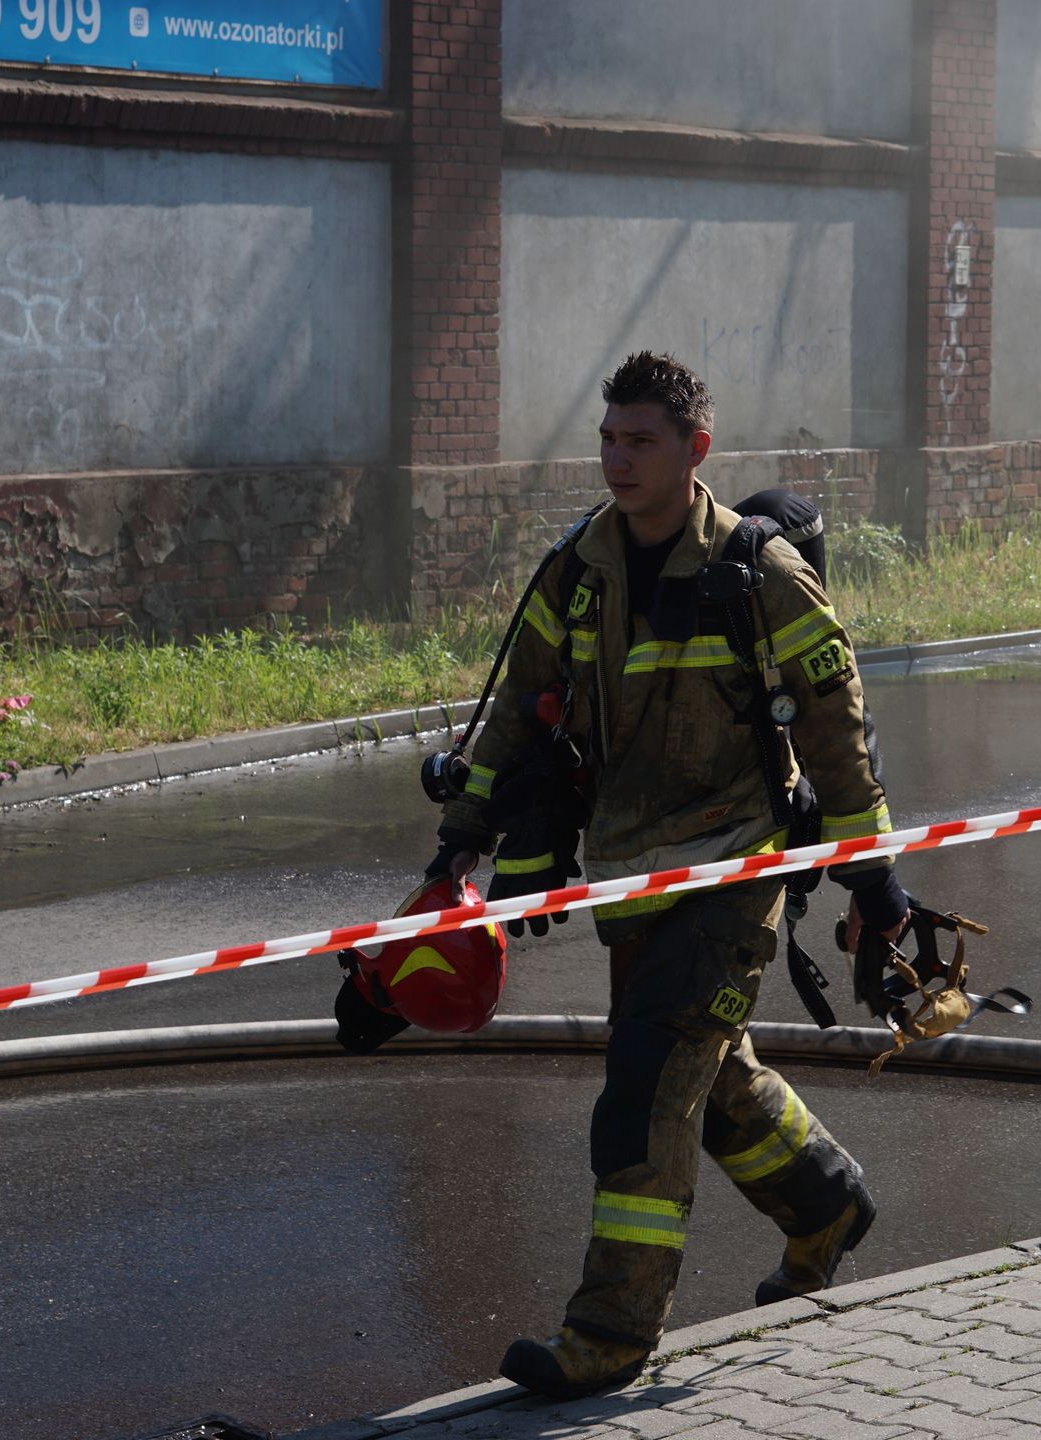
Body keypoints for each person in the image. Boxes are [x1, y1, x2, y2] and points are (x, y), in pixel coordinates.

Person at [430, 351, 912, 1400]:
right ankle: (827, 1204)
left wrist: (875, 884)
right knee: (711, 1073)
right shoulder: (577, 569)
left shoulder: (761, 573)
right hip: (627, 878)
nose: (616, 460)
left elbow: (839, 737)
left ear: (696, 450)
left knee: (647, 1091)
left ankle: (609, 1337)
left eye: (639, 440)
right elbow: (519, 711)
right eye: (607, 438)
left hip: (735, 871)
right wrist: (460, 843)